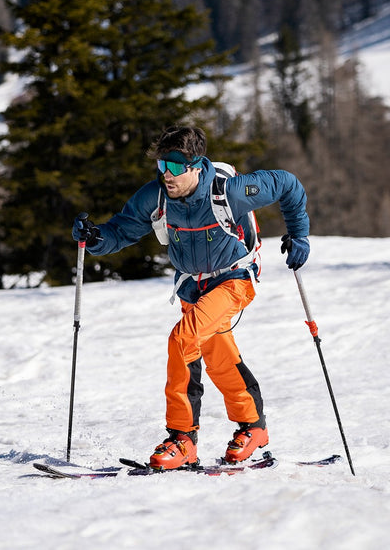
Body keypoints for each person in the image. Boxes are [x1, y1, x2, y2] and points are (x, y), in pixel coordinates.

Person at [71, 126, 311, 470]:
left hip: (234, 278)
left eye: (173, 168)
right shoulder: (155, 197)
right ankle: (254, 428)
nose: (165, 175)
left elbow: (288, 184)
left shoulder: (231, 191)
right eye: (161, 166)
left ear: (196, 166)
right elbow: (121, 230)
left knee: (182, 340)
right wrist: (94, 237)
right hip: (191, 288)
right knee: (217, 356)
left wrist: (299, 235)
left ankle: (182, 439)